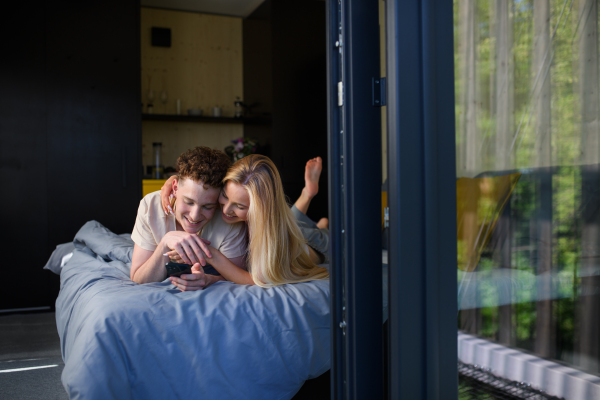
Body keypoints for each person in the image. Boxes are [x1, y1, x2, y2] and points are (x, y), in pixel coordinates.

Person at [163, 155, 329, 287]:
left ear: (259, 210)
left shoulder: (269, 237)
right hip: (290, 227)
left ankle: (320, 222)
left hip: (315, 245)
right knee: (293, 222)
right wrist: (173, 182)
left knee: (306, 234)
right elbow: (202, 179)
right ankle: (308, 194)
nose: (226, 210)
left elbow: (258, 280)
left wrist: (210, 253)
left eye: (239, 206)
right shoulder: (233, 191)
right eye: (225, 196)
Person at [130, 147, 247, 291]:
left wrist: (210, 280)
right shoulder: (151, 206)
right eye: (189, 202)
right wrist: (165, 243)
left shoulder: (228, 218)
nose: (194, 216)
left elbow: (238, 277)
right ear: (175, 188)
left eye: (207, 207)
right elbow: (138, 278)